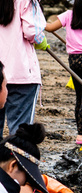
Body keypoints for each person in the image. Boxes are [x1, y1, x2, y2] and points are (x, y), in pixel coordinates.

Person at [46, 0, 82, 146]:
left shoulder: (68, 15)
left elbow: (49, 28)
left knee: (80, 96)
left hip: (73, 61)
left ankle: (81, 132)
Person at [0, 0, 49, 135]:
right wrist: (41, 39)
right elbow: (33, 32)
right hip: (21, 74)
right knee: (20, 134)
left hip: (2, 73)